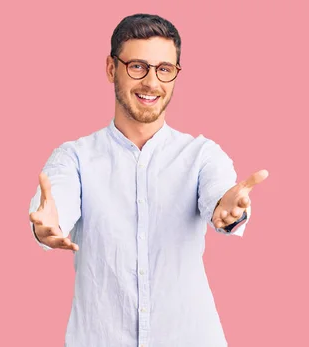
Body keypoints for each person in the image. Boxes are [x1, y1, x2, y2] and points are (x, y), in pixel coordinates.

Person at [28, 13, 268, 347]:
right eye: (137, 66)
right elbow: (54, 206)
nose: (152, 82)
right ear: (112, 69)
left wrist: (229, 211)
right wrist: (48, 224)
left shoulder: (202, 155)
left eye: (164, 69)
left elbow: (221, 196)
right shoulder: (74, 158)